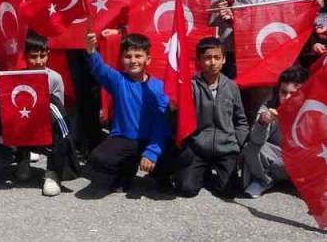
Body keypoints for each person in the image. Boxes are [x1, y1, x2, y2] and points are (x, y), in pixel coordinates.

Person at [157, 37, 247, 198]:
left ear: (224, 59)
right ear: (199, 61)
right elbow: (178, 121)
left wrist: (237, 143)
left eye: (217, 58)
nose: (212, 62)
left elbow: (240, 120)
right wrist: (173, 110)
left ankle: (217, 173)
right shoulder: (190, 86)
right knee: (186, 189)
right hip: (198, 148)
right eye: (207, 58)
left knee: (229, 192)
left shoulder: (232, 87)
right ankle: (199, 171)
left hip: (225, 148)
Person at [83, 31, 170, 192]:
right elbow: (100, 69)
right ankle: (125, 171)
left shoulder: (159, 88)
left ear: (148, 59)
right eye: (128, 56)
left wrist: (151, 152)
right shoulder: (118, 80)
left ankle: (160, 175)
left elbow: (160, 124)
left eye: (138, 56)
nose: (133, 61)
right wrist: (91, 50)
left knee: (172, 156)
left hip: (150, 140)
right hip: (125, 139)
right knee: (98, 159)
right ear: (122, 60)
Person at [16, 34, 78, 196]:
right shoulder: (15, 76)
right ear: (24, 57)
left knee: (61, 128)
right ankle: (23, 158)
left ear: (48, 54)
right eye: (33, 57)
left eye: (42, 56)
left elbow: (60, 109)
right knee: (15, 117)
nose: (38, 61)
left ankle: (53, 172)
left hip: (46, 121)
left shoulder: (55, 78)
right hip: (24, 121)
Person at [242, 66, 305, 198]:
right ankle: (263, 180)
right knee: (250, 147)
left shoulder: (315, 109)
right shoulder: (270, 106)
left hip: (304, 163)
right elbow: (256, 140)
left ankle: (310, 187)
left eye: (293, 94)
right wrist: (263, 122)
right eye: (283, 92)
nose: (287, 98)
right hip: (280, 160)